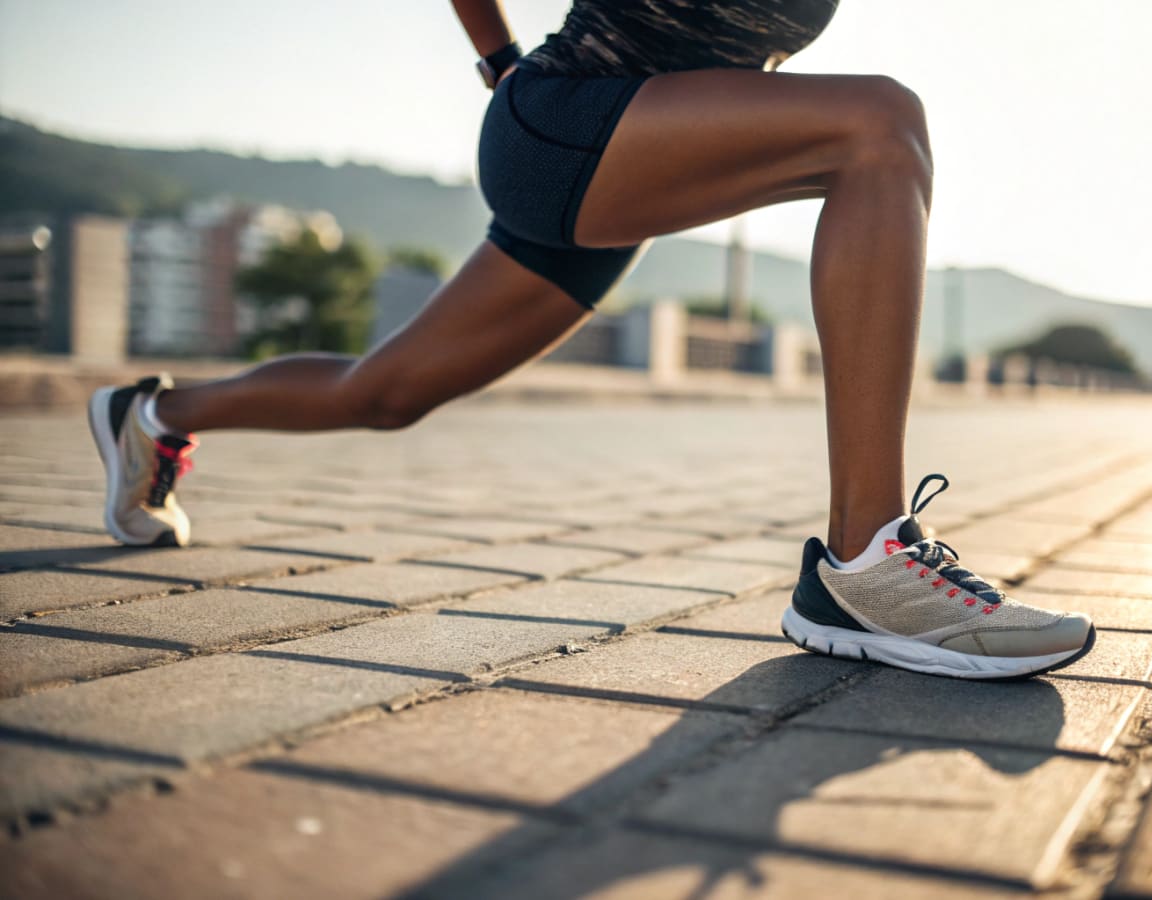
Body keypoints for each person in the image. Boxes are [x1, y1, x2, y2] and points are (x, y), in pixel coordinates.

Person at [88, 0, 1095, 680]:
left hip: (630, 154)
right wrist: (495, 59)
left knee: (385, 392)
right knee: (881, 128)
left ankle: (156, 414)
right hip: (565, 124)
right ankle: (863, 565)